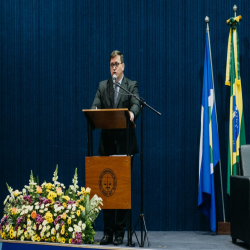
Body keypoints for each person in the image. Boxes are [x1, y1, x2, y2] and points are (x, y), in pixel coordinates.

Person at [91, 50, 140, 245]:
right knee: (107, 191)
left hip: (125, 146)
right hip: (107, 146)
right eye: (111, 64)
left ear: (123, 66)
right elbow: (95, 104)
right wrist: (94, 110)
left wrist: (133, 113)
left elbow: (136, 102)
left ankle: (120, 233)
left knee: (122, 192)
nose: (113, 67)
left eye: (116, 64)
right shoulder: (103, 86)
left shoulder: (131, 85)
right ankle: (108, 232)